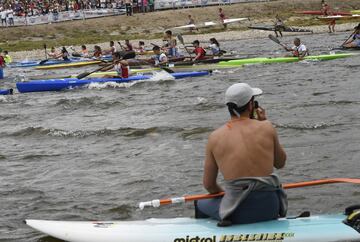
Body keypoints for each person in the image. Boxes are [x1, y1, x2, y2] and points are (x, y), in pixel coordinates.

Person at [195, 83, 287, 225]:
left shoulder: (215, 137)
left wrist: (227, 196)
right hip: (271, 207)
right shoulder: (267, 127)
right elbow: (280, 163)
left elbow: (209, 185)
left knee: (200, 203)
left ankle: (215, 231)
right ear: (251, 105)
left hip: (237, 211)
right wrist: (264, 122)